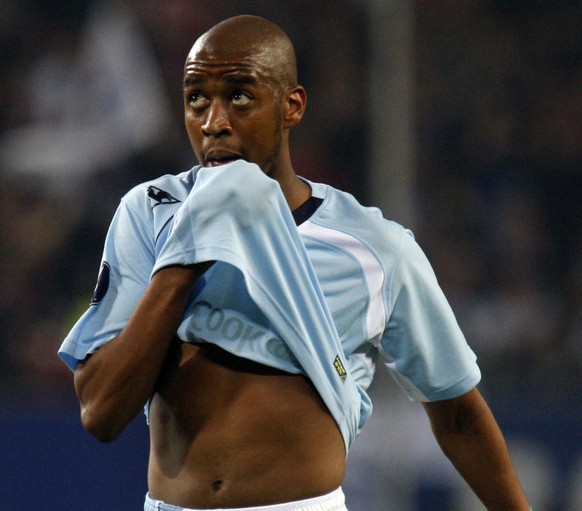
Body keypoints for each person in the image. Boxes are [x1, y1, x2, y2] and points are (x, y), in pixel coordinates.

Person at [59, 14, 532, 511]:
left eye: (239, 95)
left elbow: (458, 415)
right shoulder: (151, 213)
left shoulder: (375, 250)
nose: (214, 121)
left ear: (292, 106)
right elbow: (101, 413)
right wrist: (183, 257)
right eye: (196, 96)